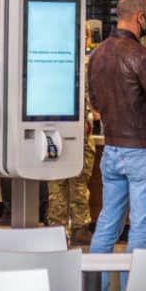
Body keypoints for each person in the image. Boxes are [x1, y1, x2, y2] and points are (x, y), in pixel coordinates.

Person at [88, 0, 146, 291]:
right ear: (140, 17)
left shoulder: (98, 54)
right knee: (141, 228)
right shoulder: (142, 57)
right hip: (143, 151)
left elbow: (95, 102)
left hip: (111, 149)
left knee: (107, 224)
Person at [47, 24, 96, 246]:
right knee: (62, 183)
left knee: (74, 181)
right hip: (65, 132)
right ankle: (66, 228)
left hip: (69, 132)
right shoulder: (82, 66)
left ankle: (72, 229)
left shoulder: (60, 65)